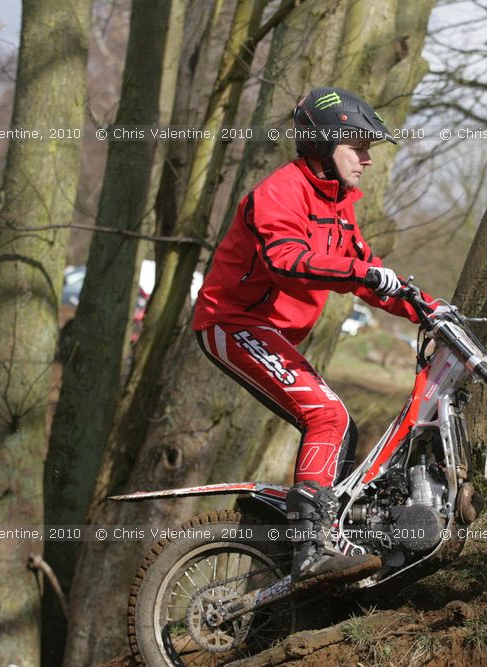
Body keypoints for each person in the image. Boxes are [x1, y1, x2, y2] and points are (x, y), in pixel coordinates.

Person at [193, 87, 431, 591]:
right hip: (231, 323)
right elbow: (287, 260)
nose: (367, 159)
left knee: (342, 446)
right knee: (329, 415)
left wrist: (429, 308)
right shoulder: (280, 192)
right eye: (359, 147)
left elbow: (370, 274)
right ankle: (311, 550)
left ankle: (320, 557)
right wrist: (361, 274)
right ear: (324, 142)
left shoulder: (340, 205)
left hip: (269, 332)